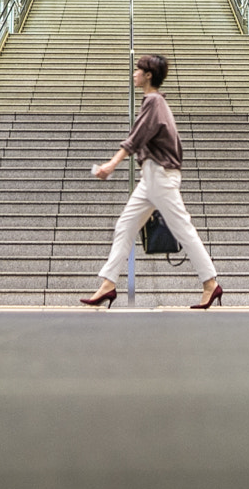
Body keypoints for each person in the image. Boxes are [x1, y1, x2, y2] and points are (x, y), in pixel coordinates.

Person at [83, 53, 222, 309]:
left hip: (160, 175)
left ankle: (210, 282)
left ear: (148, 75)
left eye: (138, 70)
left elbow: (136, 136)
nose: (134, 73)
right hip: (151, 177)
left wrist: (112, 164)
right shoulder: (155, 102)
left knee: (183, 229)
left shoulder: (154, 101)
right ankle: (108, 283)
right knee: (125, 225)